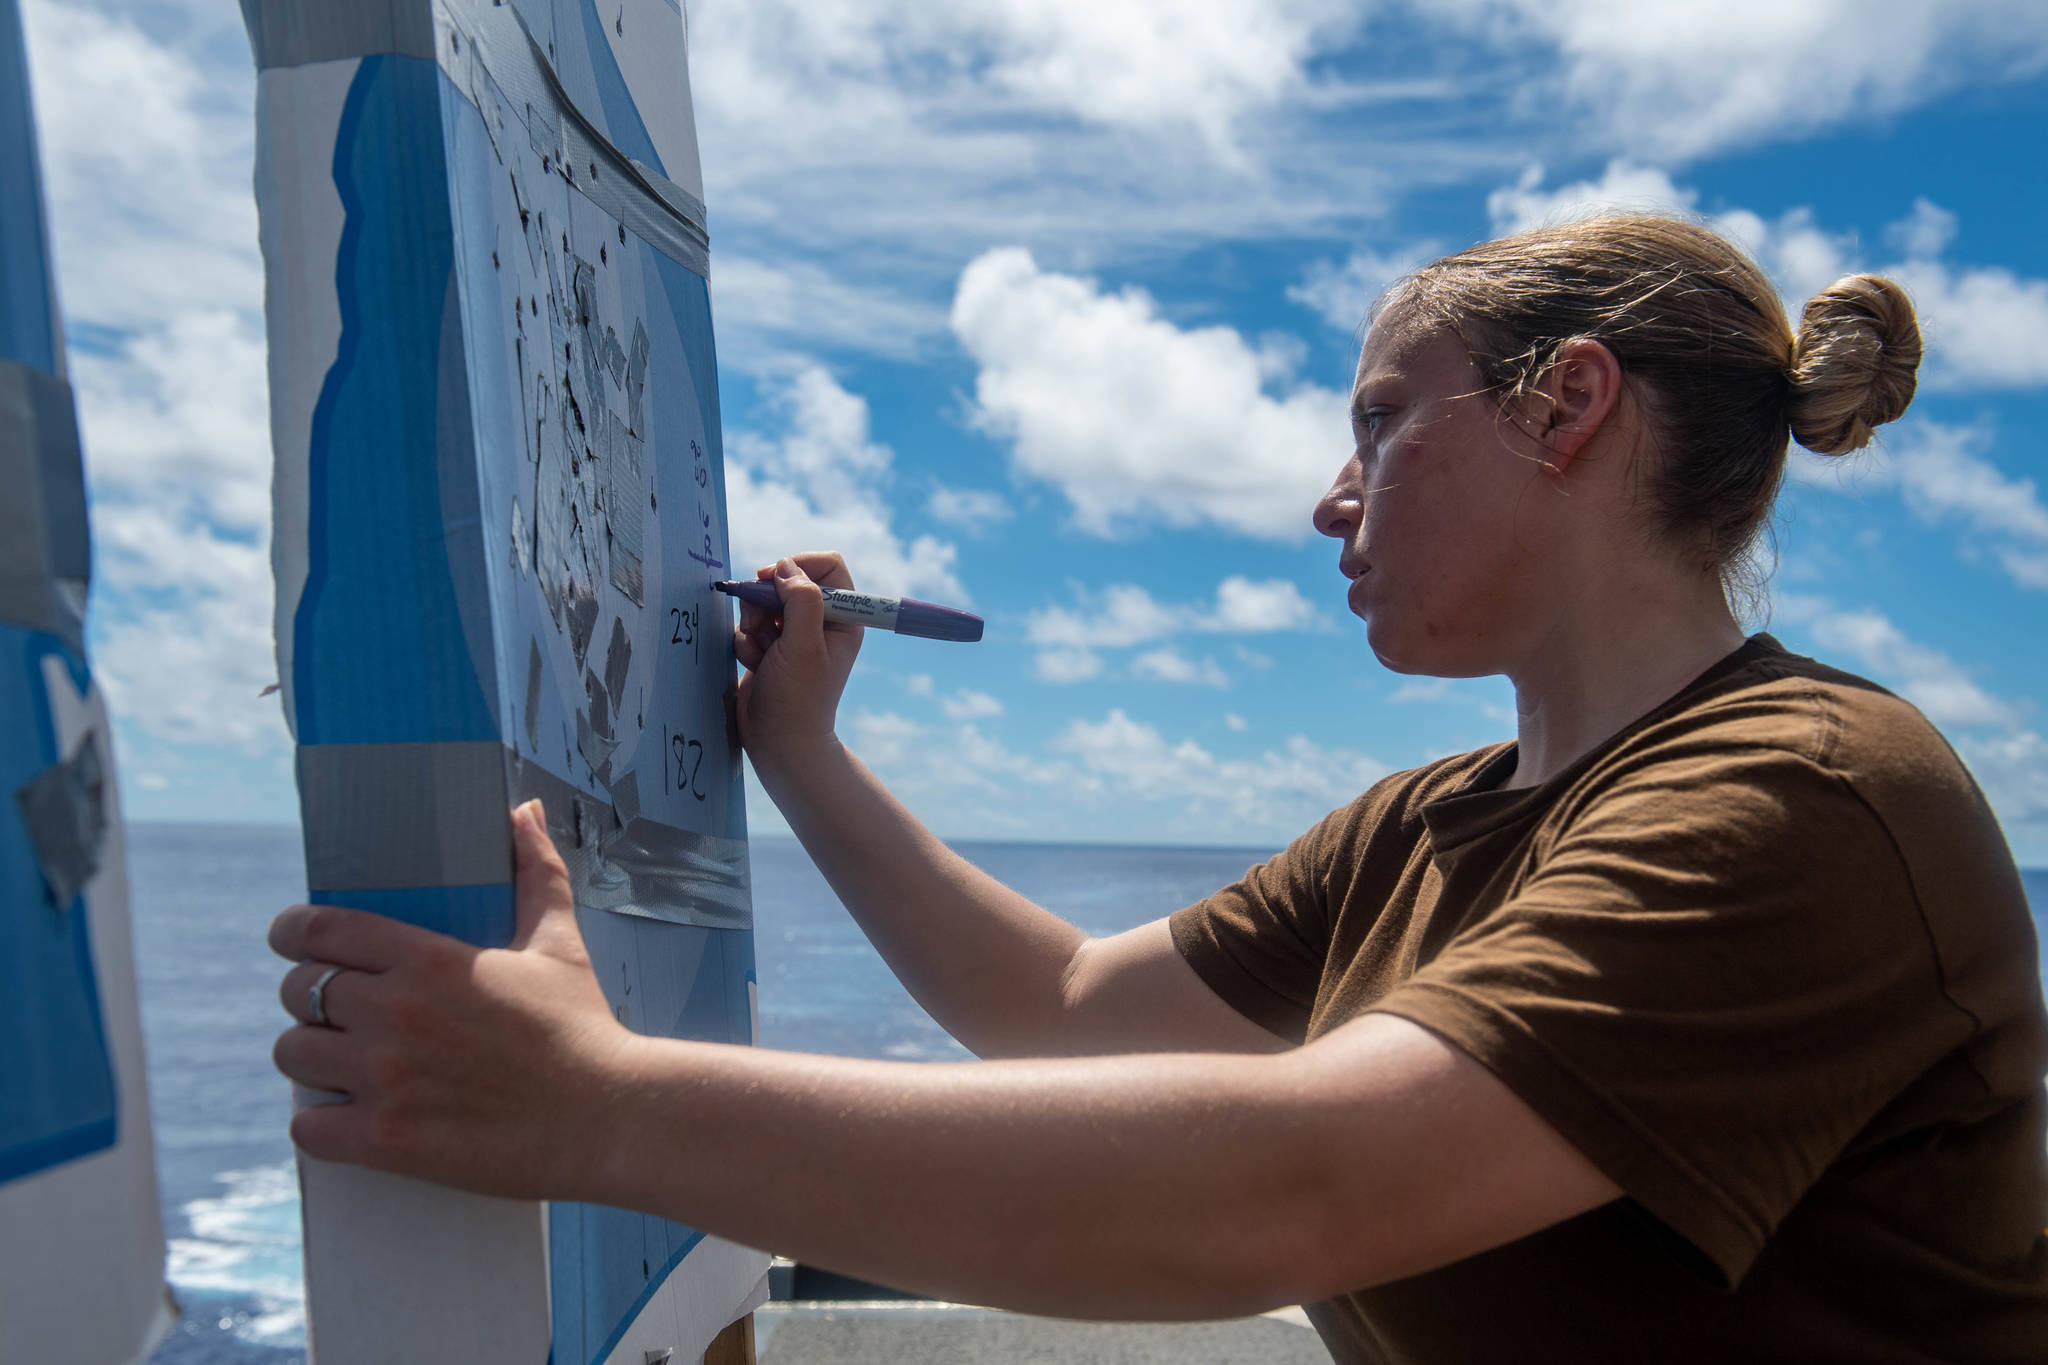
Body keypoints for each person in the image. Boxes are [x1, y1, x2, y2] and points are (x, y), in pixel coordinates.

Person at [269, 214, 2048, 1362]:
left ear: (1567, 405)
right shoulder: (1426, 825)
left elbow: (1291, 1187)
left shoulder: (1807, 802)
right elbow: (1057, 1009)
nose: (1332, 496)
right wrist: (799, 749)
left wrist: (595, 1105)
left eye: (1379, 420)